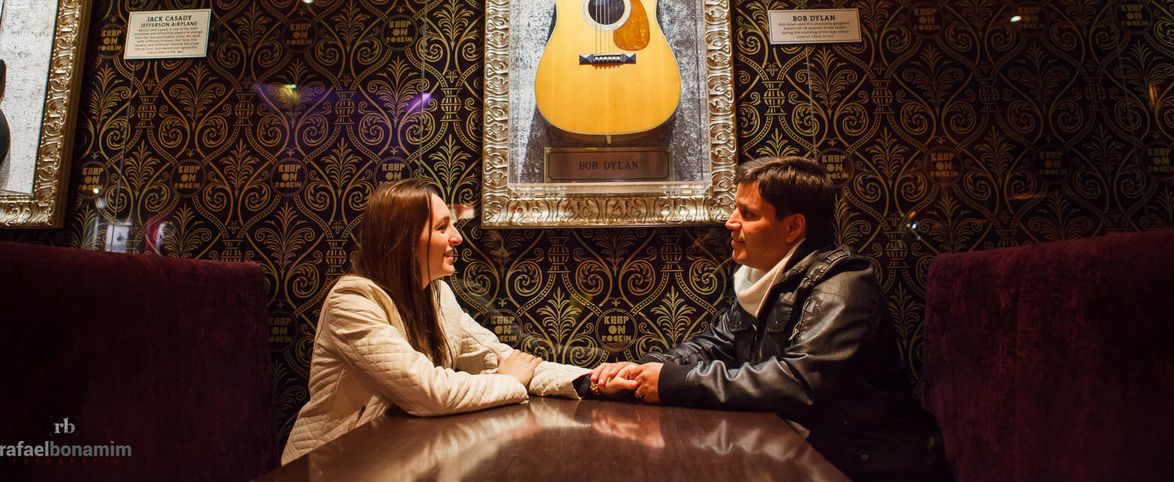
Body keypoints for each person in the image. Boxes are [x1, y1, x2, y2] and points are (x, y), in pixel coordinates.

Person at [588, 156, 952, 481]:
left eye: (748, 214)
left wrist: (671, 383)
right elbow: (713, 346)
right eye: (736, 210)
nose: (730, 223)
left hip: (864, 466)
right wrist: (639, 369)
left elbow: (798, 383)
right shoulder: (760, 279)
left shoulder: (843, 283)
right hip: (803, 454)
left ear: (793, 227)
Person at [282, 178, 632, 463]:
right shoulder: (352, 302)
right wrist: (509, 383)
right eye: (441, 227)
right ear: (402, 240)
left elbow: (505, 359)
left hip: (403, 458)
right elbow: (429, 393)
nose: (457, 237)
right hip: (336, 463)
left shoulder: (438, 294)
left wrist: (594, 381)